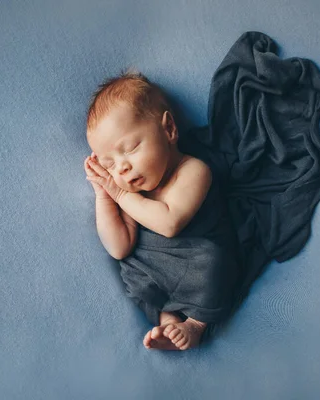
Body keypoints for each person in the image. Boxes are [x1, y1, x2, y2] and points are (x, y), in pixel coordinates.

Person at [83, 71, 236, 350]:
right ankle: (167, 318)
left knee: (216, 264)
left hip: (197, 256)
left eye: (129, 149)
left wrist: (119, 193)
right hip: (158, 266)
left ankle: (195, 324)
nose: (121, 168)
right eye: (108, 165)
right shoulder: (130, 191)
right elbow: (119, 248)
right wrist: (104, 196)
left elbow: (169, 223)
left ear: (169, 130)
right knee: (132, 273)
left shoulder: (193, 171)